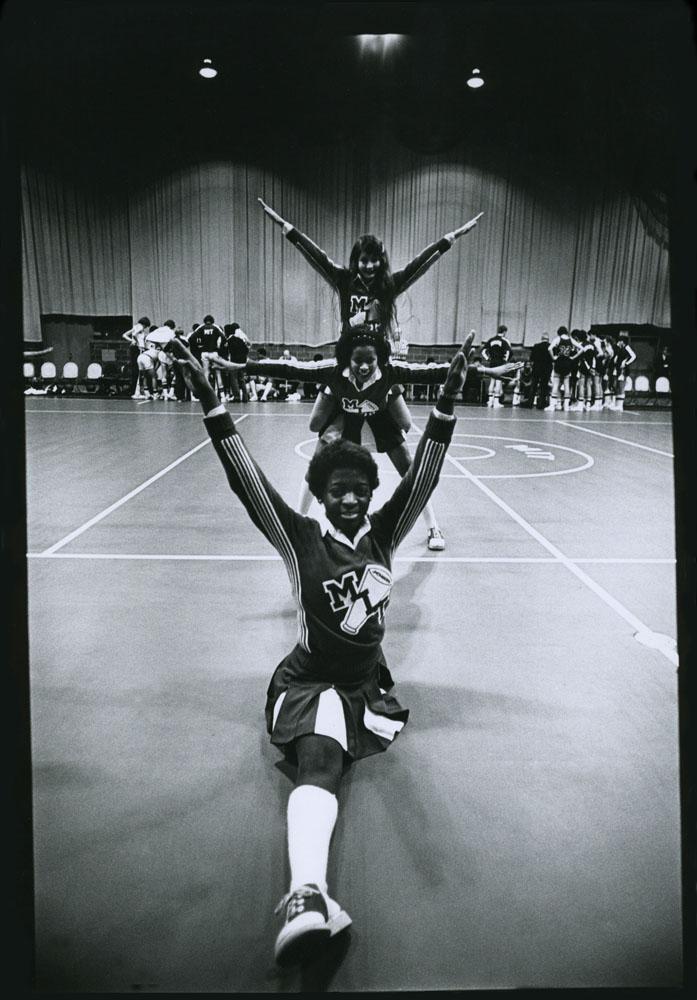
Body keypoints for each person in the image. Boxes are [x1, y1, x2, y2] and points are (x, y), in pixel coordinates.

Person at [166, 330, 474, 967]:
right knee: (320, 760)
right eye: (338, 490)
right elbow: (247, 483)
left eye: (359, 487)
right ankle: (306, 894)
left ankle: (311, 895)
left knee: (328, 755)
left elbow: (423, 475)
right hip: (311, 681)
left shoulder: (385, 533)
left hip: (364, 679)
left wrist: (445, 405)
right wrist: (213, 407)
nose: (353, 496)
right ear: (323, 493)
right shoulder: (300, 536)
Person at [212, 327, 520, 551]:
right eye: (357, 360)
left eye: (369, 361)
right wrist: (242, 365)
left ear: (379, 360)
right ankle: (298, 522)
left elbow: (436, 371)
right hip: (347, 417)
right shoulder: (332, 372)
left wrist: (486, 371)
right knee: (316, 464)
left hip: (381, 416)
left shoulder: (390, 373)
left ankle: (432, 526)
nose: (362, 366)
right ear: (347, 358)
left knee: (410, 471)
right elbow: (288, 368)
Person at [545, 326, 582, 412]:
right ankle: (566, 406)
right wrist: (573, 357)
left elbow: (549, 348)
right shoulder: (571, 340)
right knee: (566, 384)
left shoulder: (557, 339)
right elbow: (581, 349)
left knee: (556, 384)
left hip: (559, 362)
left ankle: (552, 405)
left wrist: (553, 357)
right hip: (567, 363)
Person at [481, 325, 513, 408]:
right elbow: (509, 352)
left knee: (492, 380)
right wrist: (505, 361)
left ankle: (490, 400)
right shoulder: (505, 341)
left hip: (492, 362)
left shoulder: (491, 340)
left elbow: (483, 351)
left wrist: (488, 359)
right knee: (498, 381)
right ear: (505, 332)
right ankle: (496, 401)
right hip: (500, 362)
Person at [121, 316, 151, 398]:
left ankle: (135, 390)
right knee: (138, 370)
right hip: (138, 349)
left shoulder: (136, 326)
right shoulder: (140, 327)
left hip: (134, 348)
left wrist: (132, 340)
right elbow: (134, 334)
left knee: (136, 369)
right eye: (146, 326)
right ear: (144, 324)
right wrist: (135, 341)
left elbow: (124, 335)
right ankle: (136, 392)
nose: (145, 328)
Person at [608, 332, 636, 411]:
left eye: (619, 341)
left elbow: (633, 356)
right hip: (617, 369)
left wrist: (626, 363)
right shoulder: (619, 349)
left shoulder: (627, 347)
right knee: (616, 386)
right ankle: (616, 404)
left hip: (623, 370)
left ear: (622, 342)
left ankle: (620, 406)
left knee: (621, 387)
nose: (618, 342)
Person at [528, 333, 553, 409]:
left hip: (537, 368)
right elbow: (552, 358)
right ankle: (541, 404)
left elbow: (531, 358)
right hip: (546, 369)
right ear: (548, 339)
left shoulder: (536, 346)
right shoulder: (551, 346)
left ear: (541, 339)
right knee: (544, 387)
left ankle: (530, 403)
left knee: (534, 386)